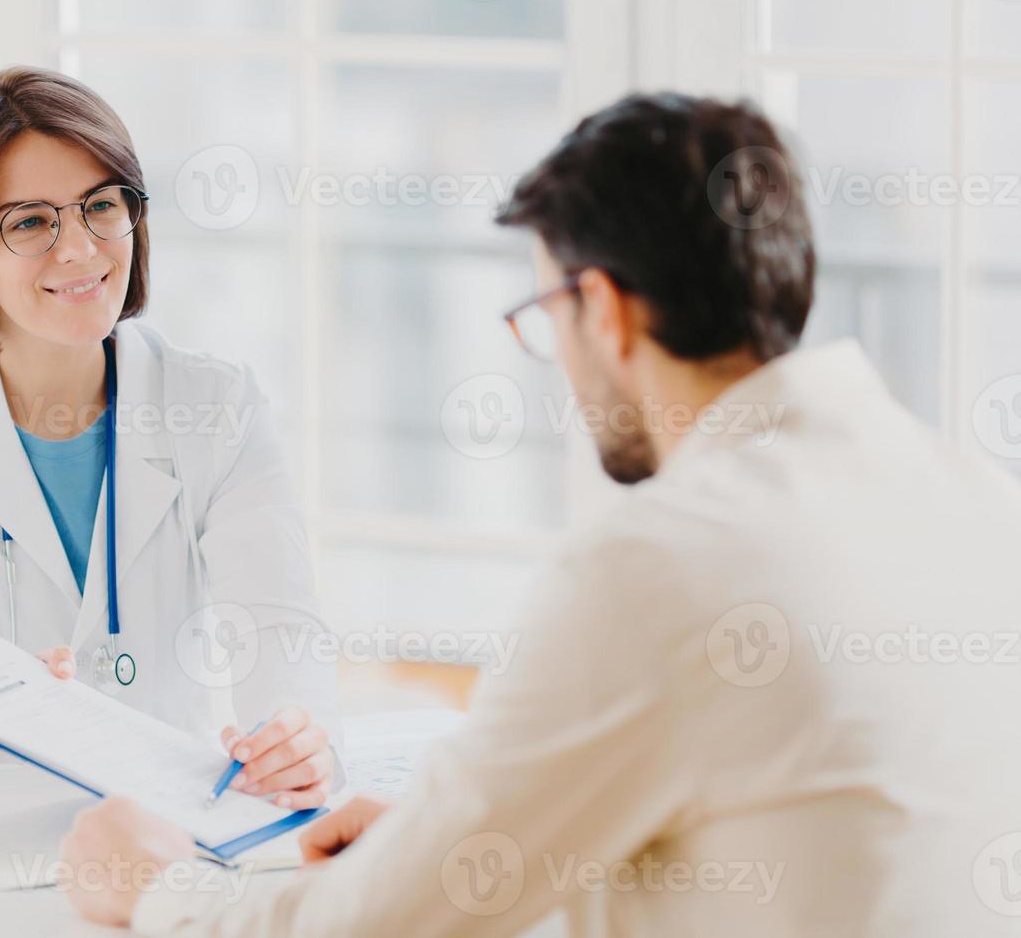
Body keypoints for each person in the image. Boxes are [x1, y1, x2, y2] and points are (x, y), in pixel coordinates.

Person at [57, 93, 1021, 935]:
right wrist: (452, 850)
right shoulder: (972, 498)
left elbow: (362, 935)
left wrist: (159, 886)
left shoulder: (660, 566)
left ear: (602, 309)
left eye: (546, 318)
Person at [0, 67, 340, 808]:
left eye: (100, 207)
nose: (81, 250)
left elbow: (284, 636)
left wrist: (295, 739)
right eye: (29, 222)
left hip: (161, 835)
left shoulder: (216, 405)